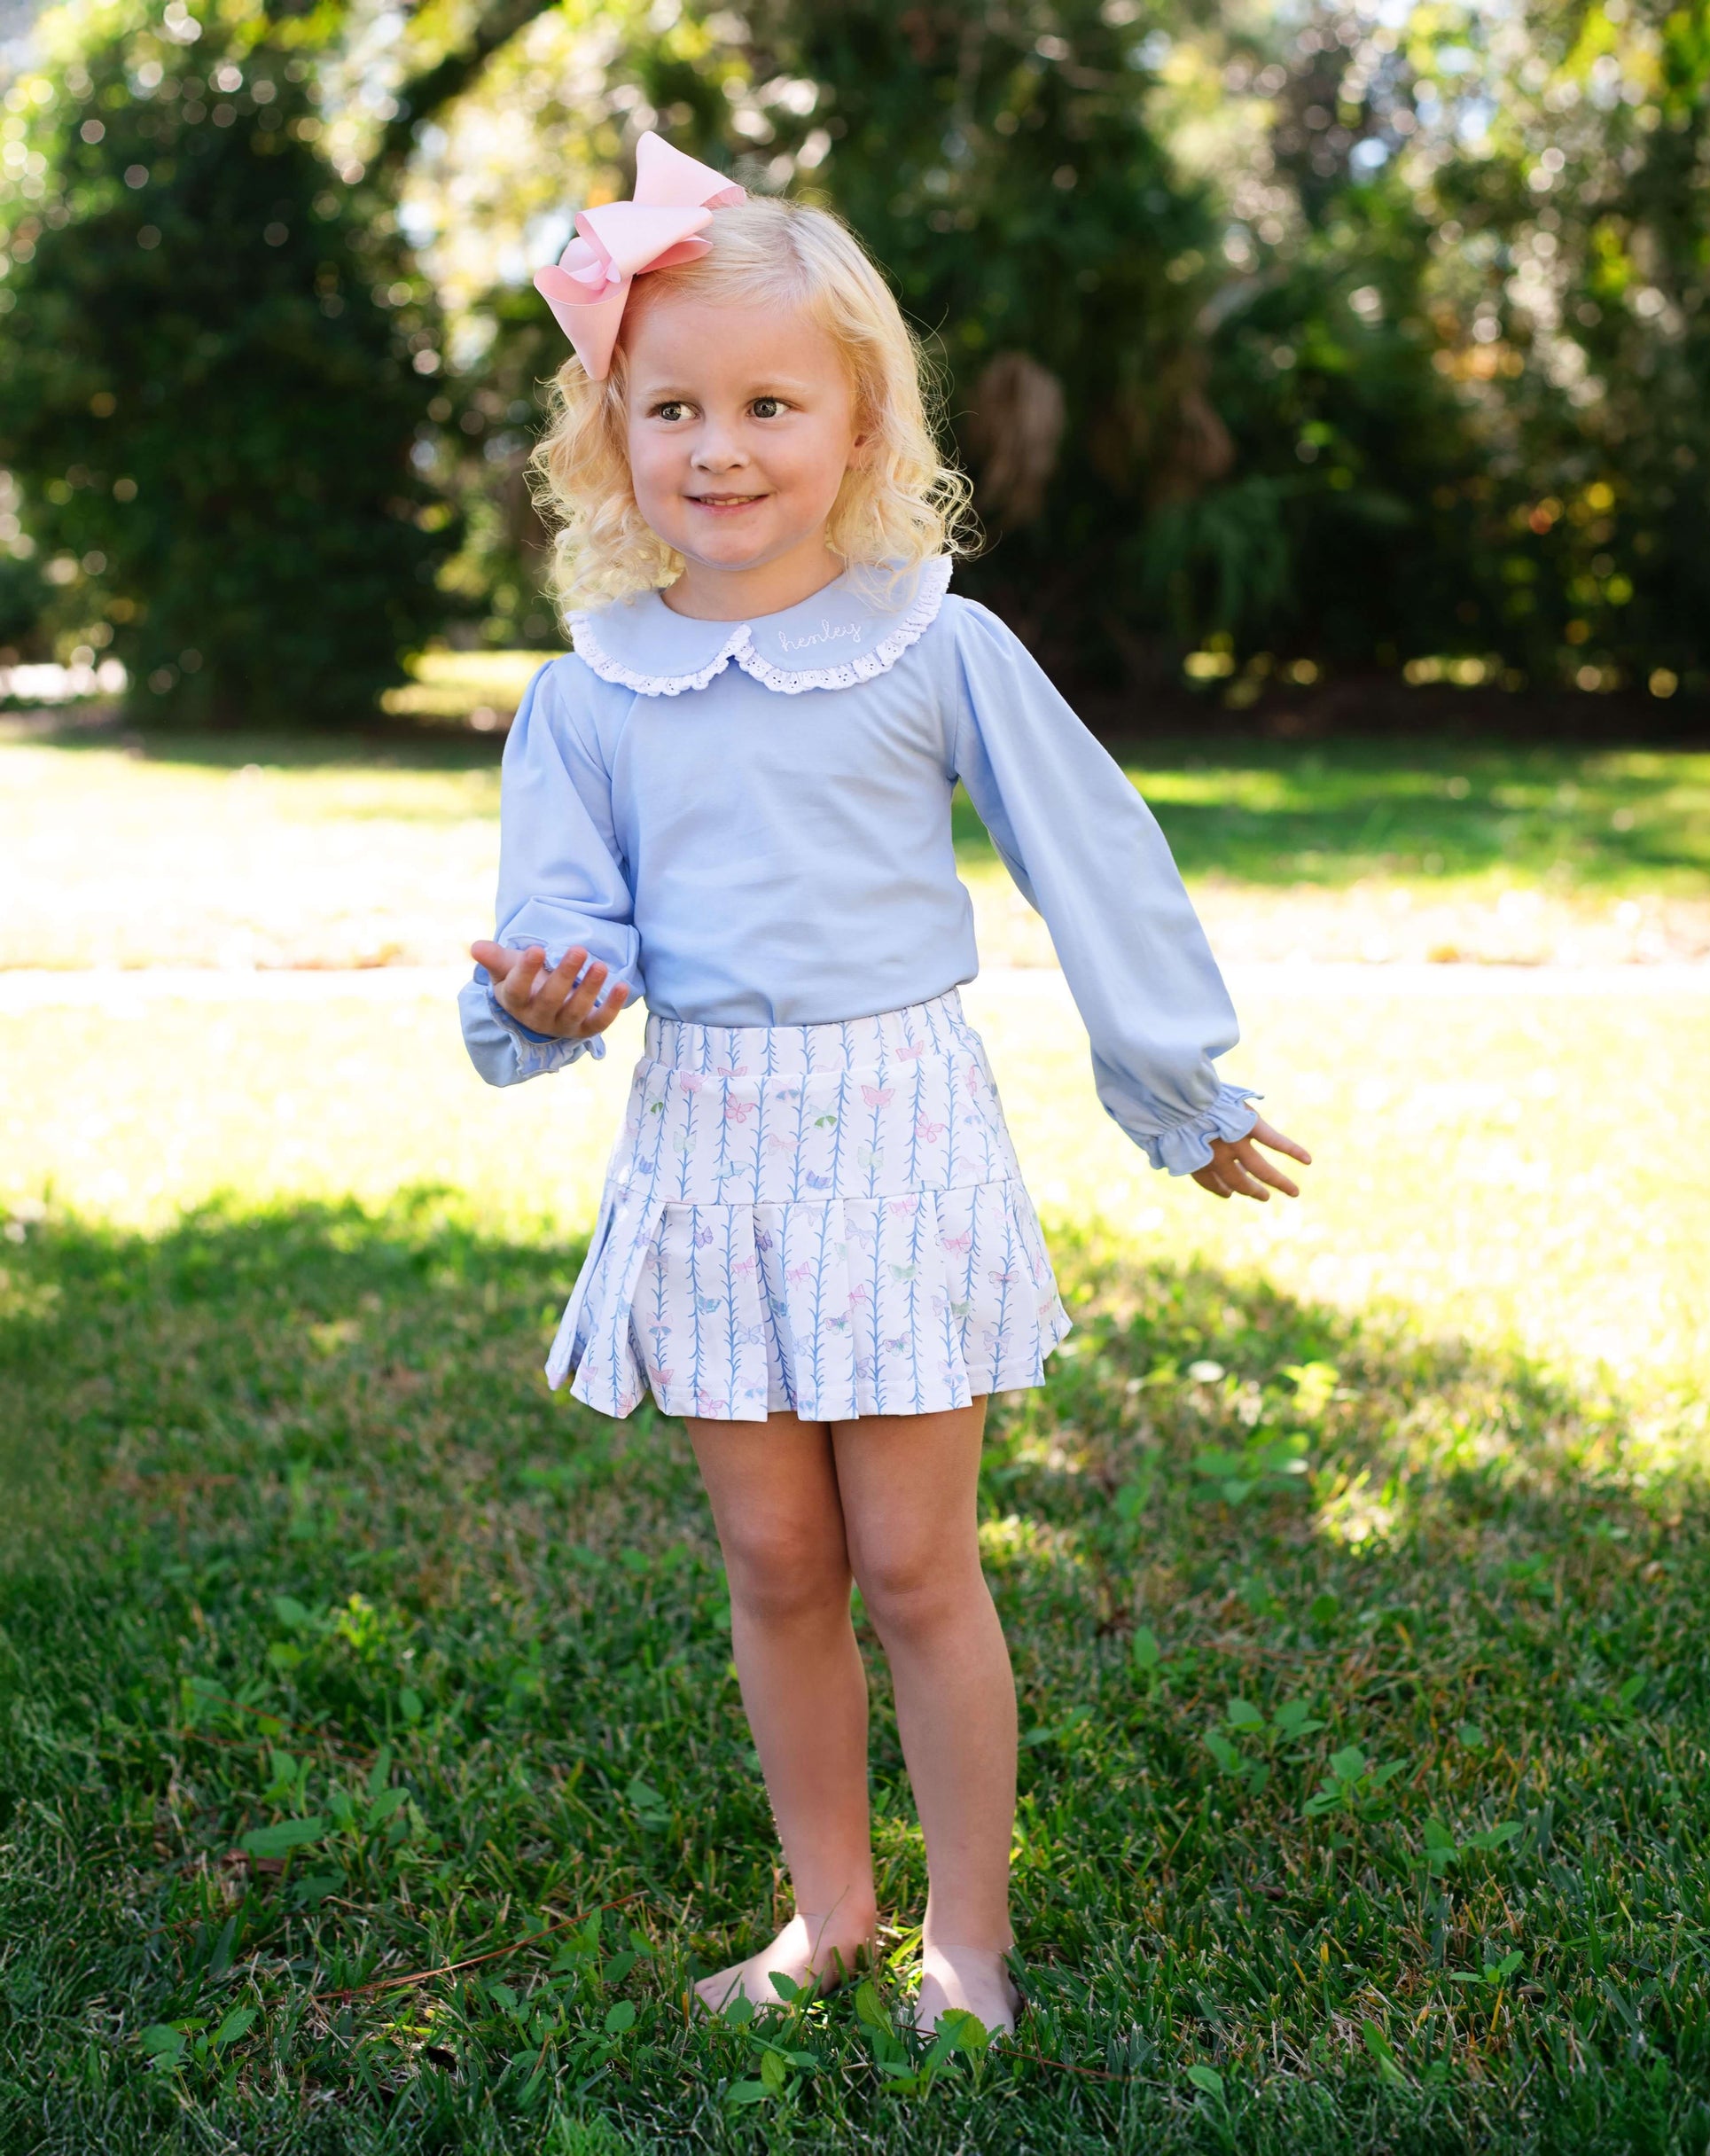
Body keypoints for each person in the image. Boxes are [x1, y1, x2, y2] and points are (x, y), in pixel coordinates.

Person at [459, 133, 1309, 2041]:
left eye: (771, 401)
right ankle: (827, 1915)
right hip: (709, 1137)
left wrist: (1181, 1088)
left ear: (860, 428)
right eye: (670, 404)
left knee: (917, 1563)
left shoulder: (935, 645)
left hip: (899, 1131)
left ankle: (967, 1942)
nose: (722, 444)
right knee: (775, 1559)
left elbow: (1092, 853)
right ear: (612, 436)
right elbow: (554, 928)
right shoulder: (589, 692)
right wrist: (545, 986)